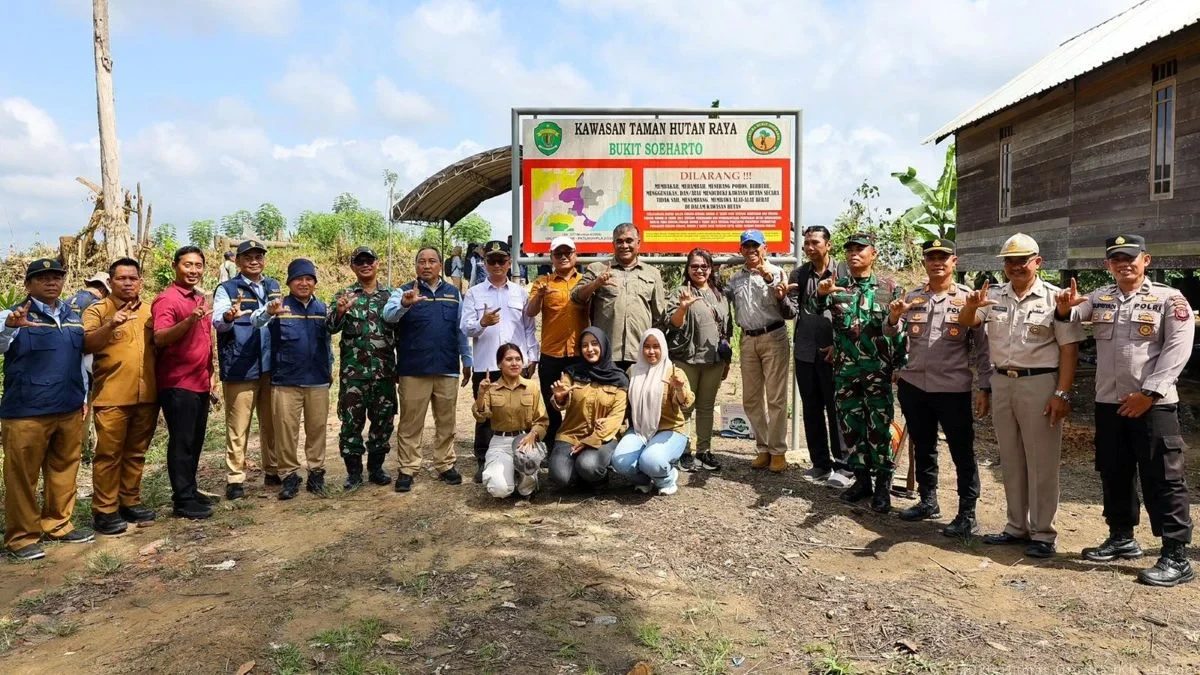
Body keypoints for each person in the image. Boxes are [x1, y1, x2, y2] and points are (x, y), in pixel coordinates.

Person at [1055, 234, 1196, 586]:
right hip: (1109, 403)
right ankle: (1121, 537)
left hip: (1154, 405)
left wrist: (1149, 393)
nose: (1123, 264)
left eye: (1130, 257)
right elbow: (1070, 317)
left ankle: (1176, 555)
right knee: (1113, 471)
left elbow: (1178, 348)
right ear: (1108, 264)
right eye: (1116, 259)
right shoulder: (1100, 297)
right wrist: (1063, 307)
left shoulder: (1168, 298)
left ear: (1145, 260)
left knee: (1163, 477)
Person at [957, 233, 1084, 559]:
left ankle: (1042, 533)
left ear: (1037, 262)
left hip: (1039, 383)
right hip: (1002, 382)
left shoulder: (1055, 298)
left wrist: (1062, 393)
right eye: (1009, 261)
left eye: (1022, 260)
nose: (1015, 266)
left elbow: (1069, 350)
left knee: (1041, 461)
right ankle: (1016, 526)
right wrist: (970, 307)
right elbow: (968, 322)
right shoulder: (992, 295)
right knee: (1011, 458)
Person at [884, 239, 992, 537]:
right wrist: (893, 317)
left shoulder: (969, 299)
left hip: (952, 389)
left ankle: (967, 512)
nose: (937, 262)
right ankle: (928, 501)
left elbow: (983, 348)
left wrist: (985, 387)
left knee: (962, 451)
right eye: (931, 257)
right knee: (923, 446)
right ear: (924, 263)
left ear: (954, 262)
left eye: (943, 257)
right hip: (914, 385)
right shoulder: (912, 297)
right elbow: (892, 334)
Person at [1, 259, 92, 560]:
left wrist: (82, 397)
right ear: (28, 284)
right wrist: (8, 328)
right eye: (42, 278)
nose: (51, 282)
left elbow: (79, 361)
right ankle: (21, 538)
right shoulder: (13, 315)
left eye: (56, 277)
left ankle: (58, 524)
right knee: (22, 477)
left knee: (64, 470)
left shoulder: (72, 316)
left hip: (68, 407)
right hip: (26, 412)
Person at [816, 232, 906, 512]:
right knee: (851, 427)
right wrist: (820, 295)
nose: (854, 254)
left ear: (873, 254)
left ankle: (883, 485)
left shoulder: (890, 288)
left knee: (879, 428)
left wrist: (900, 364)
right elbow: (812, 309)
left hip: (877, 371)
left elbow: (899, 330)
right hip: (846, 371)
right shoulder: (837, 286)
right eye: (850, 250)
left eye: (860, 249)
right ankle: (862, 480)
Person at [383, 247, 472, 492]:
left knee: (446, 422)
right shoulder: (403, 291)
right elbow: (388, 315)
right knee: (410, 423)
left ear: (440, 266)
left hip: (447, 367)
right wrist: (404, 304)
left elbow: (461, 330)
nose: (426, 265)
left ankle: (445, 463)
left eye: (432, 261)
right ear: (415, 266)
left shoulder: (453, 293)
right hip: (413, 369)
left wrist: (467, 359)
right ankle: (408, 468)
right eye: (421, 261)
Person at [82, 258, 158, 535]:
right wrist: (111, 325)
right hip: (112, 395)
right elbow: (86, 344)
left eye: (133, 278)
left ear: (140, 282)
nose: (128, 283)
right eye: (121, 278)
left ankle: (129, 501)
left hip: (147, 394)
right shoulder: (98, 310)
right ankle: (104, 509)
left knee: (136, 453)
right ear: (110, 282)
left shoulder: (150, 311)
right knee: (108, 455)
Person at [253, 259, 332, 500]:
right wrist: (269, 311)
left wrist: (330, 370)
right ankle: (289, 475)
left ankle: (316, 472)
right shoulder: (278, 307)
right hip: (285, 381)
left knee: (317, 429)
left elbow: (328, 344)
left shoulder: (323, 309)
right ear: (289, 282)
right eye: (298, 279)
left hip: (317, 380)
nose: (304, 283)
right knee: (285, 431)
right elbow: (255, 321)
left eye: (309, 279)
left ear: (315, 283)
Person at [461, 240, 539, 482]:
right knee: (485, 414)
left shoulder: (520, 293)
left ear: (509, 263)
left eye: (501, 260)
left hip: (516, 364)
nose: (497, 265)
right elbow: (465, 328)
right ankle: (483, 459)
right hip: (487, 365)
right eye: (491, 260)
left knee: (520, 410)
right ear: (484, 263)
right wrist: (482, 323)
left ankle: (523, 458)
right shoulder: (474, 293)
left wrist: (532, 356)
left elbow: (529, 327)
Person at [152, 246, 219, 520]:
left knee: (195, 439)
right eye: (187, 265)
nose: (193, 270)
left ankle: (190, 489)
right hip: (178, 383)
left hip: (199, 380)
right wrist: (190, 320)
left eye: (198, 265)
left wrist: (211, 373)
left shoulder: (199, 298)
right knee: (182, 441)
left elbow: (204, 341)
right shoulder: (167, 300)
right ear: (175, 266)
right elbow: (160, 337)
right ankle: (182, 499)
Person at [213, 239, 281, 499]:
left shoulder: (273, 286)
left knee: (271, 423)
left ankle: (272, 469)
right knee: (238, 426)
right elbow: (218, 321)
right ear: (238, 261)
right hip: (241, 365)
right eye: (248, 257)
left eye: (258, 256)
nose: (254, 261)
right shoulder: (228, 289)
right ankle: (235, 478)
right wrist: (229, 316)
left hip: (270, 366)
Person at [327, 246, 398, 490]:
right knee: (351, 424)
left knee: (383, 423)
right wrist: (339, 312)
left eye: (369, 261)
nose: (365, 265)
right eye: (360, 262)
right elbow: (330, 327)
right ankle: (354, 473)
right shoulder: (344, 295)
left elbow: (402, 332)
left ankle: (376, 468)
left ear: (377, 264)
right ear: (353, 267)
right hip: (354, 375)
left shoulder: (391, 296)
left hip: (384, 374)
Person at [727, 230, 797, 472]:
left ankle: (778, 452)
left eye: (755, 246)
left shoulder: (777, 272)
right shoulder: (735, 279)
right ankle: (763, 447)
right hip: (747, 339)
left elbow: (787, 307)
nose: (751, 250)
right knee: (751, 398)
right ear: (740, 250)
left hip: (773, 337)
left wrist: (770, 281)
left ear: (765, 247)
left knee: (776, 398)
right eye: (746, 246)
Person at [788, 226, 852, 487]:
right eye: (806, 243)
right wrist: (780, 297)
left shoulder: (844, 273)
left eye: (815, 242)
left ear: (828, 245)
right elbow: (791, 311)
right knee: (812, 408)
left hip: (833, 353)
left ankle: (844, 465)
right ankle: (820, 464)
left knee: (836, 409)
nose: (810, 247)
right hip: (805, 351)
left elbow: (853, 311)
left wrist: (839, 343)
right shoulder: (800, 274)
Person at [665, 248, 732, 472]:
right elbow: (672, 323)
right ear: (688, 268)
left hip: (714, 360)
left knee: (706, 407)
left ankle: (704, 451)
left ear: (710, 269)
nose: (700, 270)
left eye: (704, 266)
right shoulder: (680, 292)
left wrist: (727, 360)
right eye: (694, 266)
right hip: (686, 358)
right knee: (685, 406)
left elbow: (728, 328)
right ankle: (683, 451)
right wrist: (683, 308)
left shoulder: (720, 294)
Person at [571, 223, 666, 371]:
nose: (624, 245)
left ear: (638, 243)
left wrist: (652, 348)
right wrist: (596, 284)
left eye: (629, 241)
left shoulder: (652, 273)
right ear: (613, 244)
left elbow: (659, 318)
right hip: (606, 354)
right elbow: (576, 296)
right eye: (619, 241)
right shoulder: (597, 268)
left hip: (640, 354)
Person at [611, 329, 695, 495]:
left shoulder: (673, 372)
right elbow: (623, 404)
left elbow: (686, 403)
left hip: (669, 430)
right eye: (647, 346)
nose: (651, 351)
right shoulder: (632, 371)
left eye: (656, 346)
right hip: (639, 429)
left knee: (651, 460)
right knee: (619, 462)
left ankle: (667, 478)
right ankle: (643, 480)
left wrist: (679, 389)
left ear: (663, 347)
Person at [525, 236, 588, 454]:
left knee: (578, 399)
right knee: (550, 400)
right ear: (551, 257)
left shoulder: (585, 281)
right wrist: (540, 296)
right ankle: (553, 444)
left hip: (579, 353)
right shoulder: (543, 282)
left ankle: (575, 442)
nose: (563, 257)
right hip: (551, 353)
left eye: (567, 253)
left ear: (575, 255)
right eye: (558, 254)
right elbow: (530, 312)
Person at [548, 327, 629, 489]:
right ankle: (581, 477)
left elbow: (616, 418)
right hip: (571, 434)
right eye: (584, 345)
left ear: (604, 346)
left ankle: (597, 477)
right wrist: (559, 397)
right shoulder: (571, 373)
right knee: (559, 477)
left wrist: (589, 441)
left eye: (594, 344)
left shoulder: (619, 379)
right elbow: (561, 401)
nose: (589, 349)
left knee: (588, 466)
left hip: (602, 438)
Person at [473, 343, 548, 499]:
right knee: (499, 490)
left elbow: (542, 420)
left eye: (518, 359)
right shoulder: (491, 388)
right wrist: (481, 394)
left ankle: (528, 479)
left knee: (526, 490)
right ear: (499, 364)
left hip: (524, 440)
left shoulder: (532, 387)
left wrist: (532, 435)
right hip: (500, 441)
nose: (514, 363)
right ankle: (509, 474)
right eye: (509, 359)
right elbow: (481, 415)